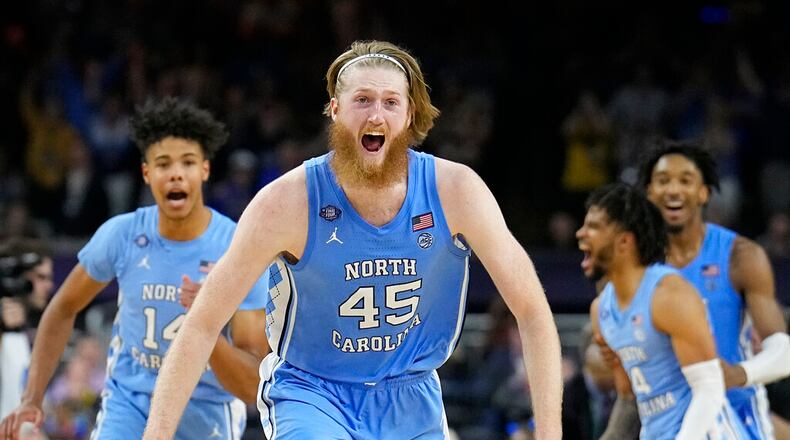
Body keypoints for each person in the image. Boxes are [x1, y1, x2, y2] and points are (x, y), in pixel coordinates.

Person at [142, 40, 563, 440]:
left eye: (390, 102)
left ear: (410, 115)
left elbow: (531, 310)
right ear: (335, 110)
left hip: (411, 394)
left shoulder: (457, 191)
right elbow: (201, 324)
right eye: (362, 100)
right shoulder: (285, 202)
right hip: (312, 392)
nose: (376, 115)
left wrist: (549, 433)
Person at [0, 97, 270, 440]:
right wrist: (32, 399)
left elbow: (251, 387)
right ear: (146, 173)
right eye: (163, 163)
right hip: (130, 404)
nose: (175, 173)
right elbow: (62, 308)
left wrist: (207, 324)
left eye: (187, 162)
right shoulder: (122, 234)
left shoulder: (237, 247)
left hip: (205, 407)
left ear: (204, 170)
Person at [638, 140, 790, 439]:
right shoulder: (633, 263)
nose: (673, 190)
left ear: (703, 192)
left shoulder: (741, 256)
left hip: (737, 413)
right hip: (667, 419)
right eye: (663, 181)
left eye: (686, 180)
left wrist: (737, 374)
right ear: (649, 192)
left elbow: (784, 353)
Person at [578, 183, 747, 439]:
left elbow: (709, 388)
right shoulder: (601, 311)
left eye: (593, 227)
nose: (581, 234)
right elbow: (629, 396)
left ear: (624, 240)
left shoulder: (669, 295)